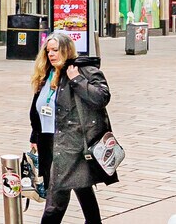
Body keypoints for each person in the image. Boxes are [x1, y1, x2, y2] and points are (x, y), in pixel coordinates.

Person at [27, 31, 114, 224]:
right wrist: (35, 136)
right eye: (48, 50)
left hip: (72, 142)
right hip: (49, 140)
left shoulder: (83, 70)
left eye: (55, 50)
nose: (51, 54)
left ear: (66, 50)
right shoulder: (46, 74)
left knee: (55, 200)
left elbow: (101, 98)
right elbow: (39, 109)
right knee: (81, 185)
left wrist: (77, 80)